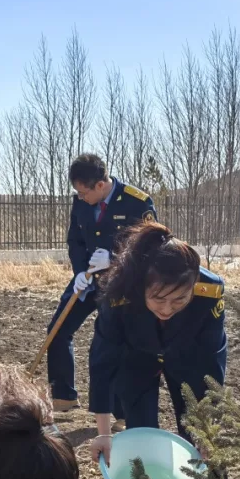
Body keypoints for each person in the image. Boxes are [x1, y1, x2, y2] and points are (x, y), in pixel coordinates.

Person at [87, 221, 231, 479]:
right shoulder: (119, 292)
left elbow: (212, 364)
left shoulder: (211, 291)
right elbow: (103, 361)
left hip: (188, 355)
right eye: (158, 300)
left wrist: (210, 432)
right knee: (140, 429)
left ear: (194, 286)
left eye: (179, 301)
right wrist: (104, 431)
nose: (167, 310)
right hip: (134, 356)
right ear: (142, 288)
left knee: (198, 430)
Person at [46, 153, 156, 415]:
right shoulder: (81, 203)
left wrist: (115, 259)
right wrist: (80, 272)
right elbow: (75, 240)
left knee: (114, 345)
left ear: (100, 185)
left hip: (121, 285)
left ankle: (119, 412)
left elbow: (150, 248)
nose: (80, 197)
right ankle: (64, 397)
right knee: (57, 331)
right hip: (86, 282)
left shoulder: (136, 203)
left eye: (83, 192)